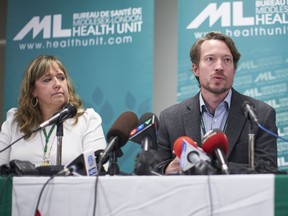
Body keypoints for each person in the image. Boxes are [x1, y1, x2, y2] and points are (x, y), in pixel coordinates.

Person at [155, 32, 278, 175]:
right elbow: (156, 169)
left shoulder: (261, 114)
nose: (219, 66)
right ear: (195, 69)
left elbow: (268, 170)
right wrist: (169, 168)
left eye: (227, 60)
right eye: (210, 59)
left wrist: (211, 166)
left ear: (234, 70)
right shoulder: (170, 118)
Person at [0, 55, 107, 169]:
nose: (57, 84)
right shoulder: (15, 122)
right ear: (33, 91)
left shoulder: (87, 119)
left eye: (61, 78)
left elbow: (99, 169)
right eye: (47, 80)